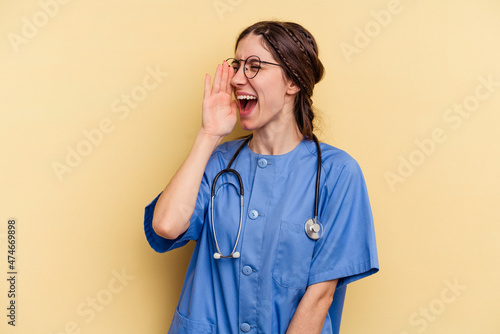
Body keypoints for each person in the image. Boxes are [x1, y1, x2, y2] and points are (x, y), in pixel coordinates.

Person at [143, 21, 379, 334]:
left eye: (255, 66)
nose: (238, 79)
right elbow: (167, 225)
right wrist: (209, 134)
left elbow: (320, 295)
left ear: (292, 81)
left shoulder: (337, 173)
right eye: (237, 65)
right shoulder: (218, 162)